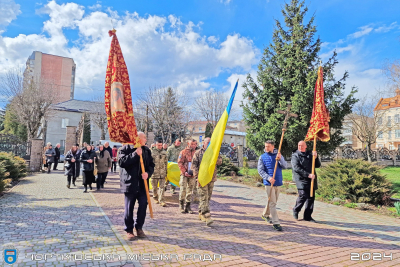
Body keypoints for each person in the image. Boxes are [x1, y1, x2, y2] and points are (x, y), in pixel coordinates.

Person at [119, 132, 154, 239]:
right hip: (130, 184)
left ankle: (139, 228)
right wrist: (135, 154)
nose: (145, 139)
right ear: (138, 139)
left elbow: (152, 165)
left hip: (143, 185)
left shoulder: (147, 150)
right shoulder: (125, 149)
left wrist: (148, 173)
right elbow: (122, 162)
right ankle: (129, 230)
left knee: (143, 205)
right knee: (129, 208)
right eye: (144, 138)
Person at [258, 140, 287, 231]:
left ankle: (265, 214)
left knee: (271, 201)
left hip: (278, 182)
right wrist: (268, 178)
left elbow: (285, 166)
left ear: (273, 147)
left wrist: (281, 158)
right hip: (268, 183)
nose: (266, 148)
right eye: (265, 146)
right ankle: (276, 223)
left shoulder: (278, 156)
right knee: (273, 203)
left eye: (268, 146)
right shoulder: (262, 157)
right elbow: (260, 171)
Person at [192, 137, 222, 226]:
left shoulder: (214, 152)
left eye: (210, 142)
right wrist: (197, 177)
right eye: (207, 142)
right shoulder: (198, 153)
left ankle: (201, 213)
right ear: (203, 143)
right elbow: (194, 165)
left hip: (211, 178)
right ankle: (206, 215)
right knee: (203, 196)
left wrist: (216, 156)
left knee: (207, 197)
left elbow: (219, 162)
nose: (209, 144)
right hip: (201, 179)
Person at [292, 140, 321, 222]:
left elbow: (317, 165)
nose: (300, 147)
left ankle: (307, 216)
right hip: (301, 179)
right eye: (299, 145)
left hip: (311, 179)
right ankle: (296, 210)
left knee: (311, 197)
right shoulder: (295, 155)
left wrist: (316, 157)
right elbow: (296, 168)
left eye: (302, 145)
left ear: (306, 146)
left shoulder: (310, 154)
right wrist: (308, 174)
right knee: (303, 195)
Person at [177, 139, 197, 214]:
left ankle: (188, 206)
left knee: (190, 191)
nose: (194, 146)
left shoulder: (196, 153)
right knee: (183, 189)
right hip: (184, 174)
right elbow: (179, 163)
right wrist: (184, 172)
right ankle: (181, 205)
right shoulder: (183, 152)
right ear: (188, 144)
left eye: (195, 144)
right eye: (192, 144)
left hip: (192, 175)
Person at [151, 140, 168, 207]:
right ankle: (155, 197)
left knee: (162, 187)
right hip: (154, 173)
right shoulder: (152, 152)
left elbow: (166, 162)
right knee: (154, 187)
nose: (160, 146)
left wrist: (166, 171)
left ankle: (162, 200)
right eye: (158, 145)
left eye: (161, 145)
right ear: (156, 145)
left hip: (162, 173)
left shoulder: (164, 152)